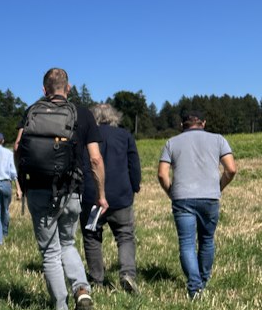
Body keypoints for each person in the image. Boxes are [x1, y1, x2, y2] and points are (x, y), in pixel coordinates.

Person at [14, 68, 108, 310]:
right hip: (72, 191)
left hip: (39, 190)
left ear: (44, 90)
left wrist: (21, 181)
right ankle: (82, 290)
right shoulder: (83, 115)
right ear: (68, 88)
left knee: (50, 252)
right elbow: (96, 159)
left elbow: (17, 147)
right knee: (67, 244)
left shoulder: (32, 111)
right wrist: (101, 194)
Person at [157, 108, 237, 299]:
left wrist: (171, 192)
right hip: (210, 196)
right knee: (207, 240)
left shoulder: (171, 143)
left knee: (186, 243)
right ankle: (204, 280)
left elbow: (162, 174)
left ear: (181, 125)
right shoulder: (218, 139)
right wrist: (219, 187)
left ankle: (195, 287)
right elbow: (231, 169)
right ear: (204, 123)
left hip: (182, 198)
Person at [80, 104, 141, 293]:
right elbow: (134, 164)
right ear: (115, 117)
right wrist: (135, 186)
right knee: (125, 235)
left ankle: (96, 279)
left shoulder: (84, 136)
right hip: (121, 195)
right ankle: (128, 274)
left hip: (91, 196)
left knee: (92, 236)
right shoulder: (124, 136)